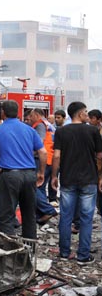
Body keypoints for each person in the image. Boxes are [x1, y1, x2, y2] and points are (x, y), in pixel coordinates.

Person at [51, 101, 102, 265]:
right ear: (80, 114)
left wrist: (53, 176)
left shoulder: (61, 132)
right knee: (87, 219)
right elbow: (100, 156)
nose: (87, 115)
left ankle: (64, 253)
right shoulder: (93, 131)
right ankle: (83, 256)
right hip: (89, 180)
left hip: (67, 180)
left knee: (66, 217)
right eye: (85, 112)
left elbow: (57, 156)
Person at [0, 100, 47, 239]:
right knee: (29, 214)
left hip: (9, 176)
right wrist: (41, 173)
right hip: (29, 174)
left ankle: (10, 250)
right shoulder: (29, 129)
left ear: (3, 113)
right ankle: (30, 248)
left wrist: (5, 156)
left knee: (7, 214)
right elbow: (43, 152)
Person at [29, 108, 58, 223]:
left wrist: (29, 153)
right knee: (40, 188)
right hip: (49, 160)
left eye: (31, 116)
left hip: (42, 160)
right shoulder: (49, 125)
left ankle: (48, 210)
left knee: (33, 187)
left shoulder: (40, 125)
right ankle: (40, 215)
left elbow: (39, 142)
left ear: (36, 115)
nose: (30, 119)